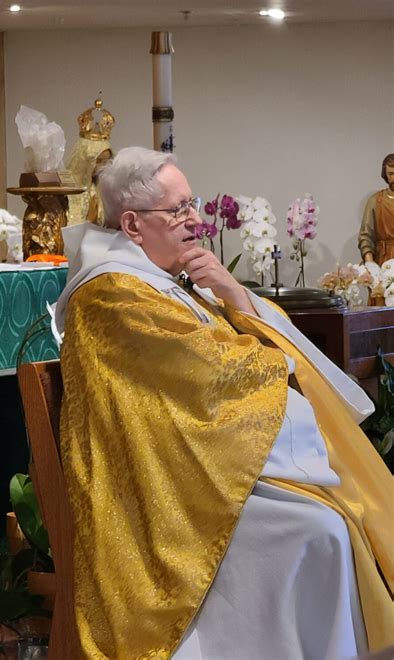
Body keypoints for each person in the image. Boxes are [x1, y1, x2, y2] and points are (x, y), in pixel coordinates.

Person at [55, 147, 393, 659]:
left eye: (193, 205)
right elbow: (212, 376)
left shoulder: (170, 280)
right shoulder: (110, 295)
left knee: (347, 513)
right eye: (179, 210)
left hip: (206, 469)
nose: (197, 221)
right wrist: (282, 367)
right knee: (323, 530)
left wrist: (233, 292)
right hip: (167, 497)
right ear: (132, 223)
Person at [66, 96, 114, 226]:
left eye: (107, 161)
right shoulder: (67, 196)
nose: (103, 167)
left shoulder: (109, 192)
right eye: (98, 161)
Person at [358, 153, 394, 266]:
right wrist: (370, 262)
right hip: (383, 262)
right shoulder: (375, 201)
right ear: (385, 175)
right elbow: (366, 236)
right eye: (391, 174)